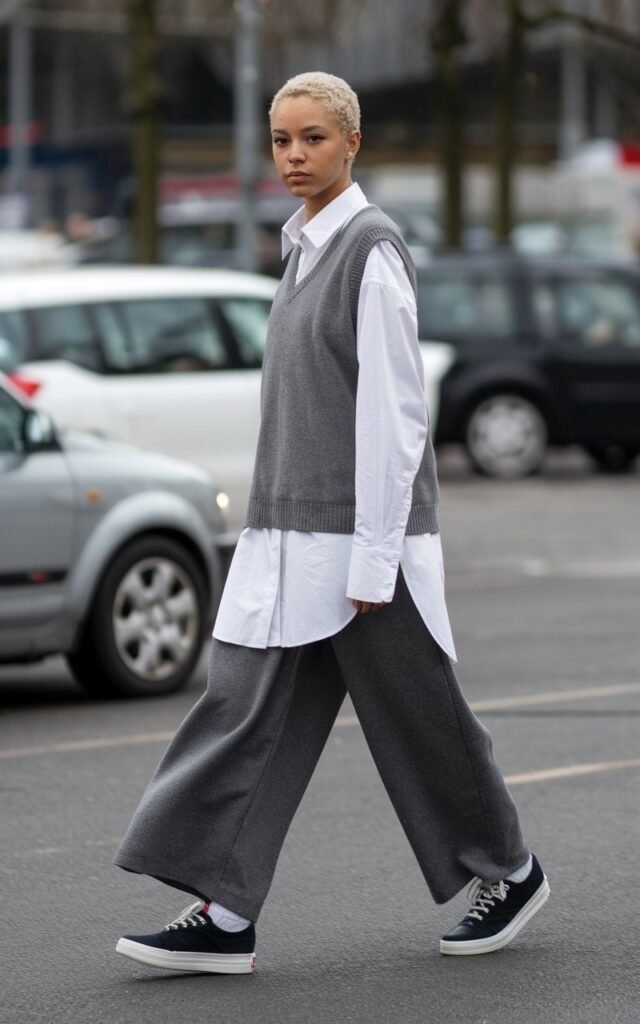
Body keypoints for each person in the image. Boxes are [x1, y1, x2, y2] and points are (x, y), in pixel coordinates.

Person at [114, 72, 549, 975]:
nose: (294, 155)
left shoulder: (370, 250)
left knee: (421, 716)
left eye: (312, 138)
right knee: (243, 708)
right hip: (289, 538)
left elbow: (395, 420)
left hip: (360, 547)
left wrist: (374, 560)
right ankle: (226, 908)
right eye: (280, 140)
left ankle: (508, 869)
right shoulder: (302, 247)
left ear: (352, 143)